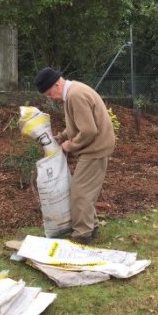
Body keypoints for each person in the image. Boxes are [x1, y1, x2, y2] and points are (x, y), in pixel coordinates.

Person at [34, 67, 115, 244]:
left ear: (56, 84)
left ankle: (82, 235)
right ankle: (91, 227)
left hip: (96, 148)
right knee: (82, 190)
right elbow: (78, 125)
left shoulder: (75, 96)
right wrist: (62, 136)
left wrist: (69, 145)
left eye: (49, 93)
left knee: (80, 192)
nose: (50, 98)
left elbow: (88, 131)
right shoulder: (73, 91)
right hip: (95, 147)